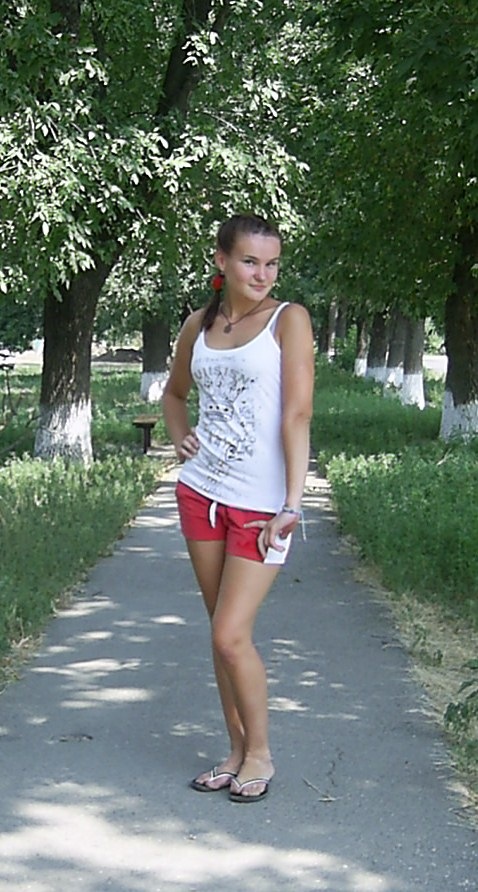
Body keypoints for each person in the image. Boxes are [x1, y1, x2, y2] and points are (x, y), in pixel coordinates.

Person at [162, 213, 314, 803]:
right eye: (250, 261)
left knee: (230, 636)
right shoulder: (198, 325)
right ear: (221, 261)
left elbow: (297, 413)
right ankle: (234, 750)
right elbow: (175, 395)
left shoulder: (288, 319)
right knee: (219, 632)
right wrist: (180, 436)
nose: (262, 274)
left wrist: (293, 502)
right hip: (201, 493)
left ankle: (261, 753)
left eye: (272, 263)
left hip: (259, 504)